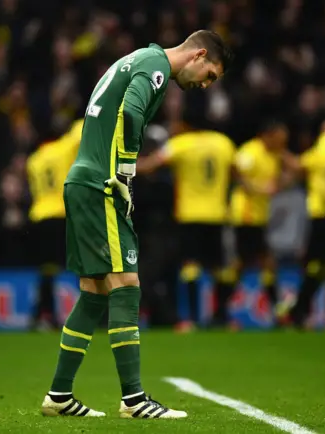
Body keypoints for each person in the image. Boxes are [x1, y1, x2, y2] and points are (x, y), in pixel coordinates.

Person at [41, 30, 233, 419]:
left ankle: (59, 395)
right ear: (198, 55)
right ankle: (134, 400)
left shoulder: (136, 59)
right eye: (210, 74)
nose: (204, 85)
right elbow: (130, 111)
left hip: (84, 178)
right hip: (102, 184)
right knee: (126, 284)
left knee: (95, 290)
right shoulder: (157, 66)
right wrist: (127, 172)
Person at [137, 123, 236, 332]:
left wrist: (122, 165)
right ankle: (219, 316)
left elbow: (150, 165)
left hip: (185, 219)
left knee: (188, 268)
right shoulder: (222, 143)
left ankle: (190, 316)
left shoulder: (180, 146)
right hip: (216, 214)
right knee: (219, 268)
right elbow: (236, 172)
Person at [277, 118, 325, 329]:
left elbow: (299, 165)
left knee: (318, 266)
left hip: (324, 216)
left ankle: (300, 312)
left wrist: (280, 151)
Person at [27, 119, 83, 330]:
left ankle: (43, 315)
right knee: (83, 262)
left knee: (48, 268)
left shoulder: (33, 159)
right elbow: (81, 130)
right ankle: (95, 314)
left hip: (40, 215)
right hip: (61, 213)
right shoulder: (63, 148)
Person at [230, 121, 289, 320]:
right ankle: (278, 309)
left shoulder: (273, 155)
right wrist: (258, 189)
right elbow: (236, 174)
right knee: (260, 262)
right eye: (279, 138)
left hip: (258, 216)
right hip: (246, 216)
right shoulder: (250, 151)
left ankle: (221, 307)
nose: (282, 143)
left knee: (246, 264)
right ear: (267, 135)